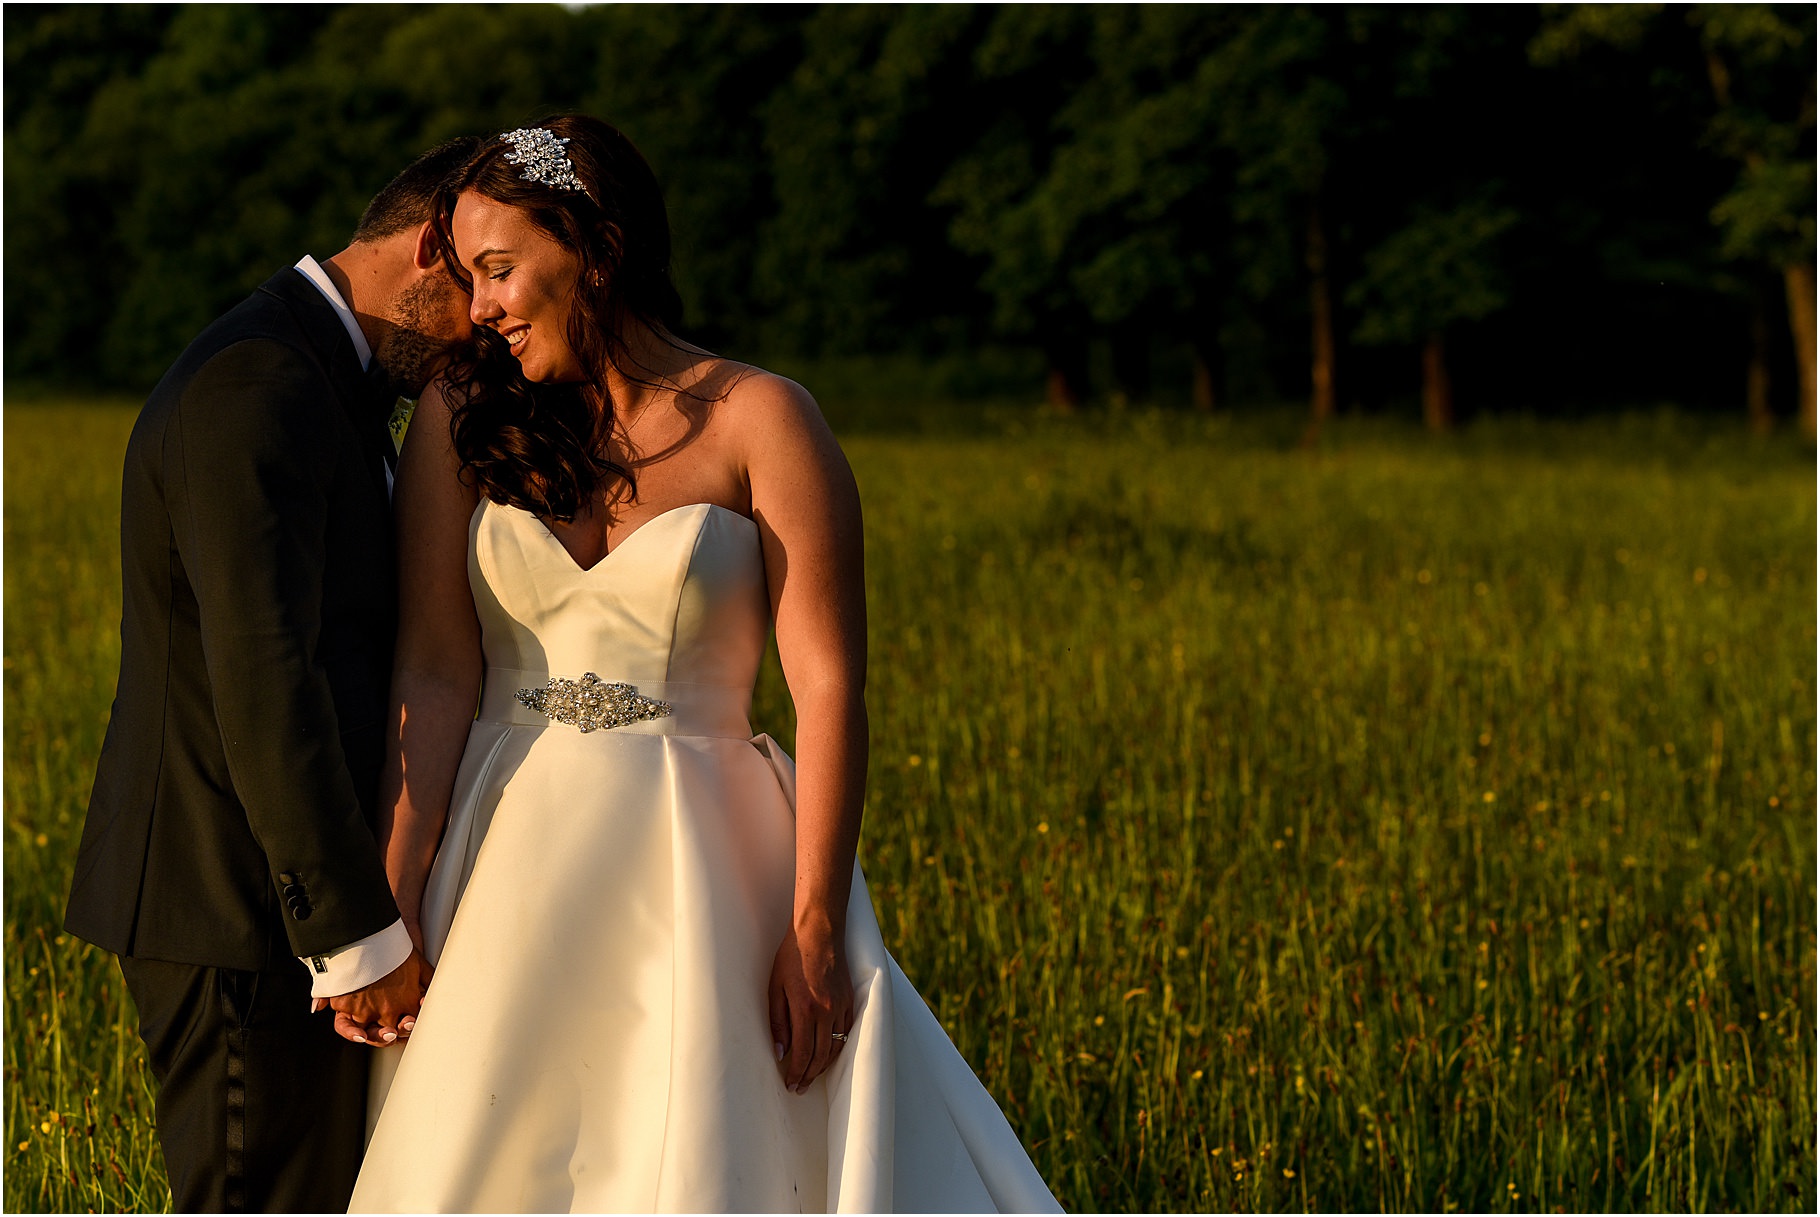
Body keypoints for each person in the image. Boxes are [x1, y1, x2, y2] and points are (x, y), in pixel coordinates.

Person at [349, 116, 1061, 1212]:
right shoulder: (455, 418)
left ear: (596, 249)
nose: (479, 306)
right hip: (499, 865)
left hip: (702, 867)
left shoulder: (763, 419)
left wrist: (814, 918)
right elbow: (435, 674)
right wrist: (393, 890)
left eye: (498, 270)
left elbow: (827, 685)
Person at [63, 136, 480, 1213]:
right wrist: (350, 933)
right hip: (242, 916)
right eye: (486, 283)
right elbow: (264, 675)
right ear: (431, 245)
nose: (494, 333)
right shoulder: (259, 382)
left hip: (275, 909)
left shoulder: (319, 375)